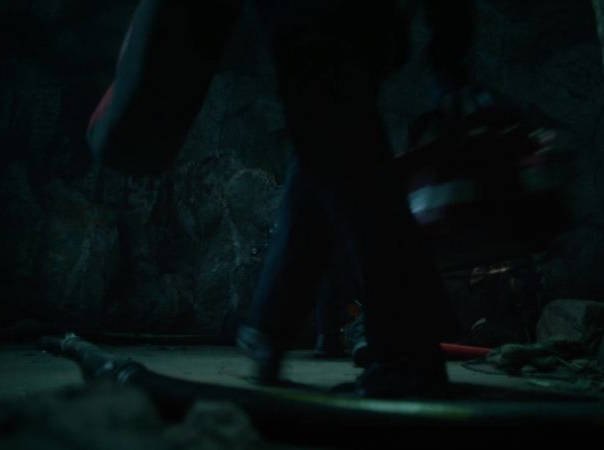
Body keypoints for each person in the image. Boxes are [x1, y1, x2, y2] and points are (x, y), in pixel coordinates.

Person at [88, 0, 473, 399]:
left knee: (340, 146)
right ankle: (279, 327)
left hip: (319, 20)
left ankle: (403, 349)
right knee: (328, 145)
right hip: (353, 24)